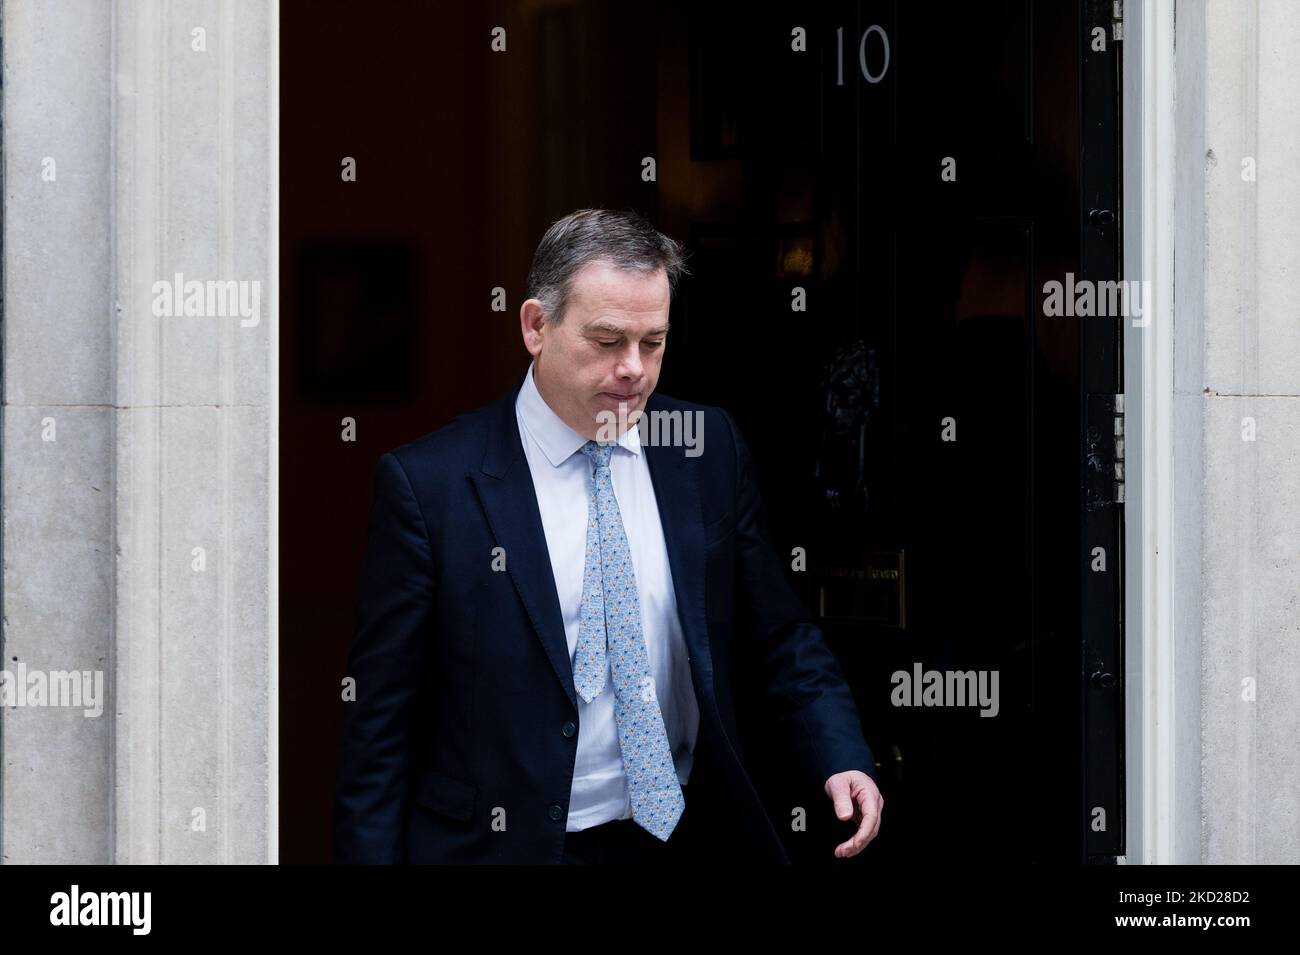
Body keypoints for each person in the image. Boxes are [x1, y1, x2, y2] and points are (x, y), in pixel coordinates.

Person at [332, 208, 883, 864]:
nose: (635, 369)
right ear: (537, 325)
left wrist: (840, 754)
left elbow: (779, 633)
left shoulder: (706, 450)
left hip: (683, 834)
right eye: (607, 340)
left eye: (653, 342)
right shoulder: (429, 488)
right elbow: (380, 730)